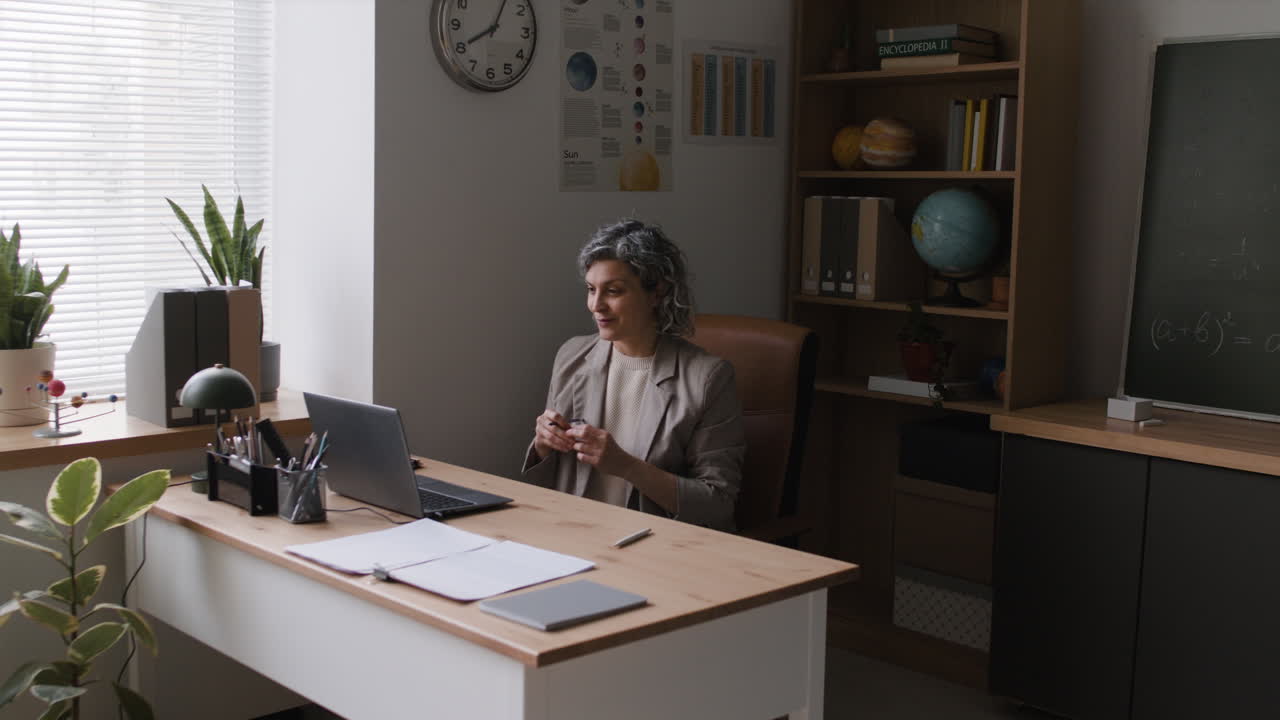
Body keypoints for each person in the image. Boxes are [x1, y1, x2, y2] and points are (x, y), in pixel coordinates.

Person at [521, 219, 745, 531]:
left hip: (654, 546)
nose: (596, 305)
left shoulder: (708, 379)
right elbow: (549, 485)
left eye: (613, 291)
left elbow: (717, 504)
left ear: (657, 292)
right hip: (573, 534)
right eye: (590, 289)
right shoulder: (571, 356)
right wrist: (544, 443)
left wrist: (625, 466)